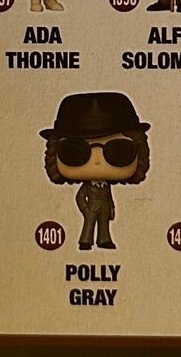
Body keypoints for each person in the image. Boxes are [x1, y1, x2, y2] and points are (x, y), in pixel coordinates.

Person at [42, 92, 151, 251]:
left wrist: (111, 208)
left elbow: (108, 196)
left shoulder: (105, 185)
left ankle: (104, 240)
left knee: (104, 225)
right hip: (91, 209)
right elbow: (80, 196)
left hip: (104, 209)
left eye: (118, 151)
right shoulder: (88, 186)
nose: (97, 160)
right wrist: (85, 209)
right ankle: (85, 241)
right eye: (76, 152)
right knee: (89, 225)